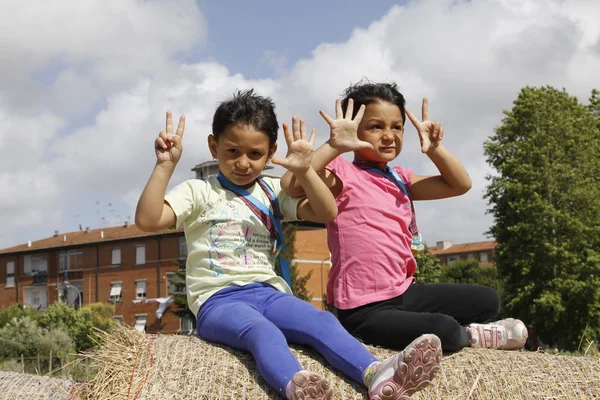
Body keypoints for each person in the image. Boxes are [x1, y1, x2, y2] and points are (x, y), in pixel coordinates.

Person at [135, 90, 442, 400]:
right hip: (218, 301)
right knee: (262, 331)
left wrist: (306, 169)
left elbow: (326, 211)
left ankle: (376, 375)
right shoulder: (198, 191)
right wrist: (165, 166)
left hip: (270, 294)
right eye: (232, 151)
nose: (243, 163)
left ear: (271, 154)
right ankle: (297, 386)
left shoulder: (271, 192)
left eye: (255, 154)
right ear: (214, 147)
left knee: (322, 320)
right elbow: (148, 220)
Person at [282, 81, 528, 353]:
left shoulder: (401, 178)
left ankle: (454, 330)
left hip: (405, 292)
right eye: (376, 127)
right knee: (444, 329)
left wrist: (435, 148)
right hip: (363, 308)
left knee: (488, 300)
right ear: (353, 128)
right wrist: (334, 145)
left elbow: (460, 184)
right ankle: (469, 336)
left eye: (396, 127)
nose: (388, 136)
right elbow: (293, 182)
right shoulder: (342, 174)